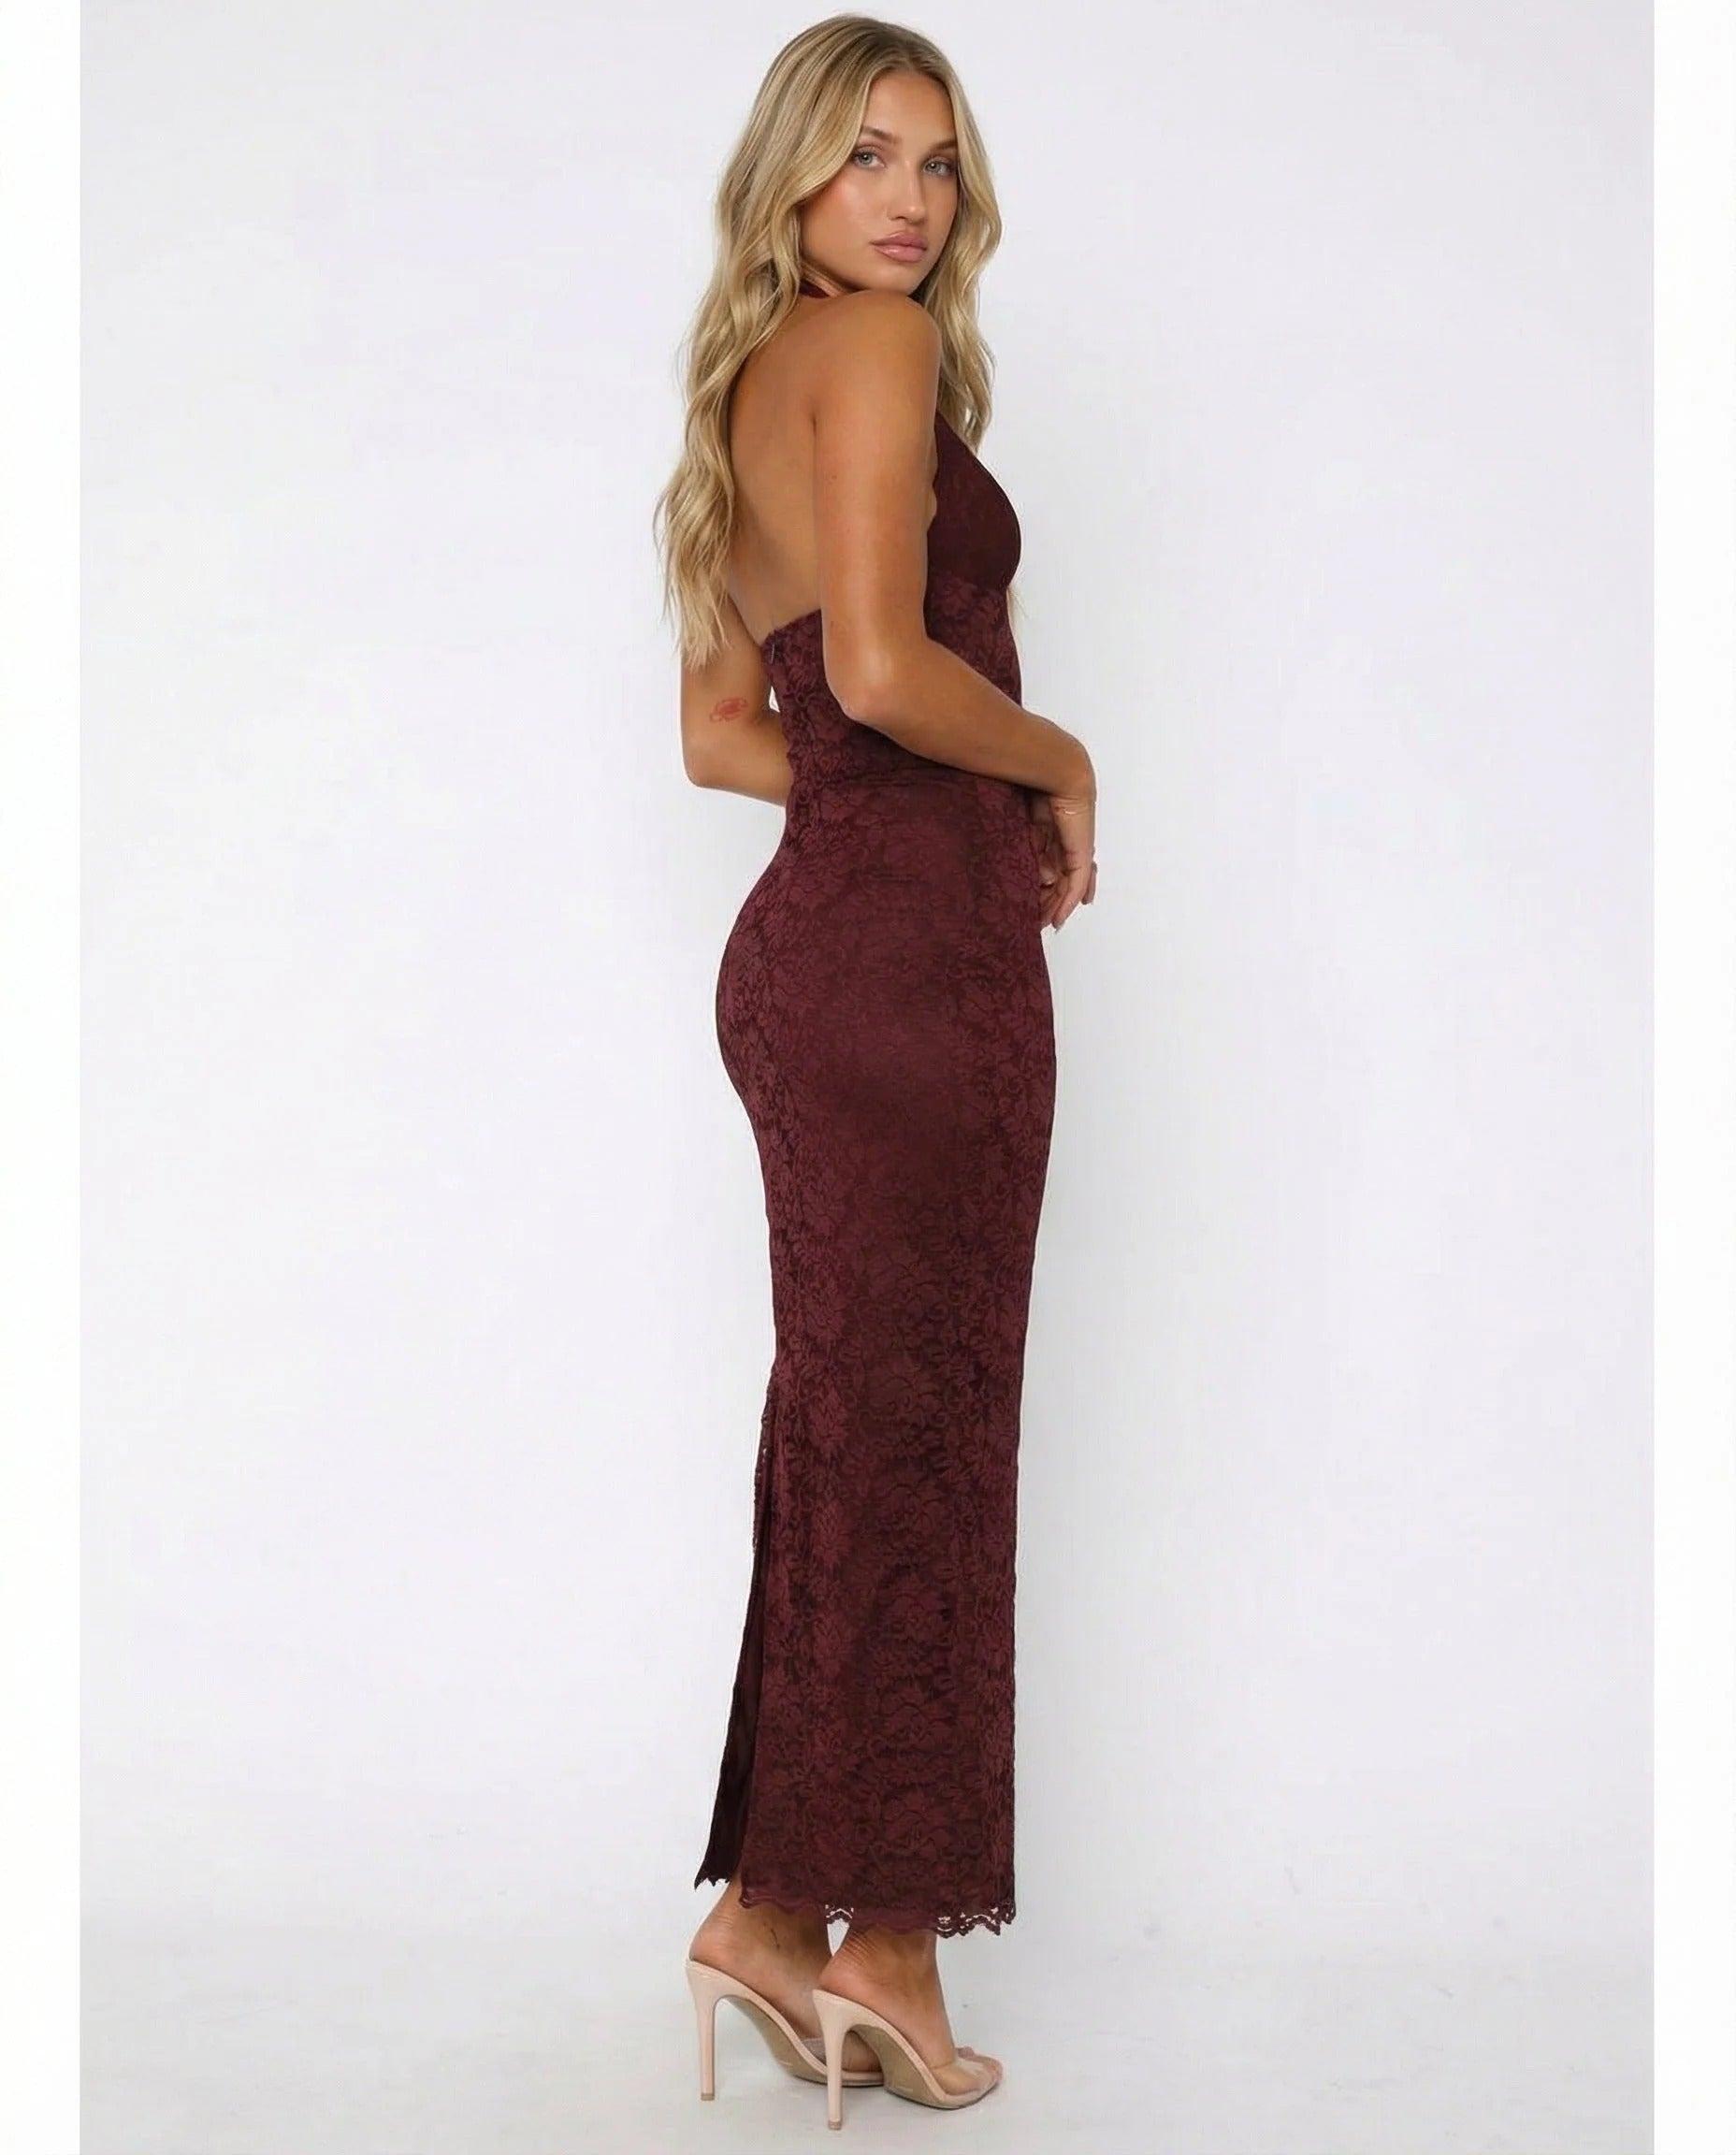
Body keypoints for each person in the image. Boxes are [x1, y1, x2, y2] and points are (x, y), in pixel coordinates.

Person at [652, 15, 1096, 2125]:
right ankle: (889, 1950)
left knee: (847, 1424)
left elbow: (729, 735)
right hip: (916, 974)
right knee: (924, 1432)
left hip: (810, 960)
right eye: (864, 158)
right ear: (794, 182)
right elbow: (892, 669)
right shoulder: (882, 352)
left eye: (936, 162)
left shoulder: (740, 388)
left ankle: (769, 1915)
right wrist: (1061, 761)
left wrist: (894, 804)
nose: (908, 200)